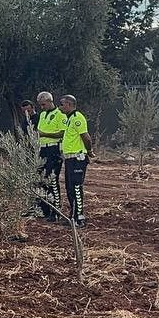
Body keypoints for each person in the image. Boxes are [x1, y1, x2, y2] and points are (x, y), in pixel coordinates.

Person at [58, 94, 94, 228]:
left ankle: (79, 217)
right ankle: (72, 215)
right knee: (69, 188)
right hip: (69, 159)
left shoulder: (78, 118)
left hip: (77, 158)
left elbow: (86, 137)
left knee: (77, 187)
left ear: (68, 104)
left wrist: (89, 151)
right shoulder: (68, 119)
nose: (60, 107)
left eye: (62, 104)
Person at [34, 92, 66, 221]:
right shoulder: (42, 115)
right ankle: (43, 209)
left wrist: (44, 134)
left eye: (43, 104)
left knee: (52, 180)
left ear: (49, 101)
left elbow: (62, 133)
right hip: (42, 150)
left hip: (54, 149)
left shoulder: (60, 115)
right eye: (40, 105)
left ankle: (56, 210)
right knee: (41, 179)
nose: (42, 107)